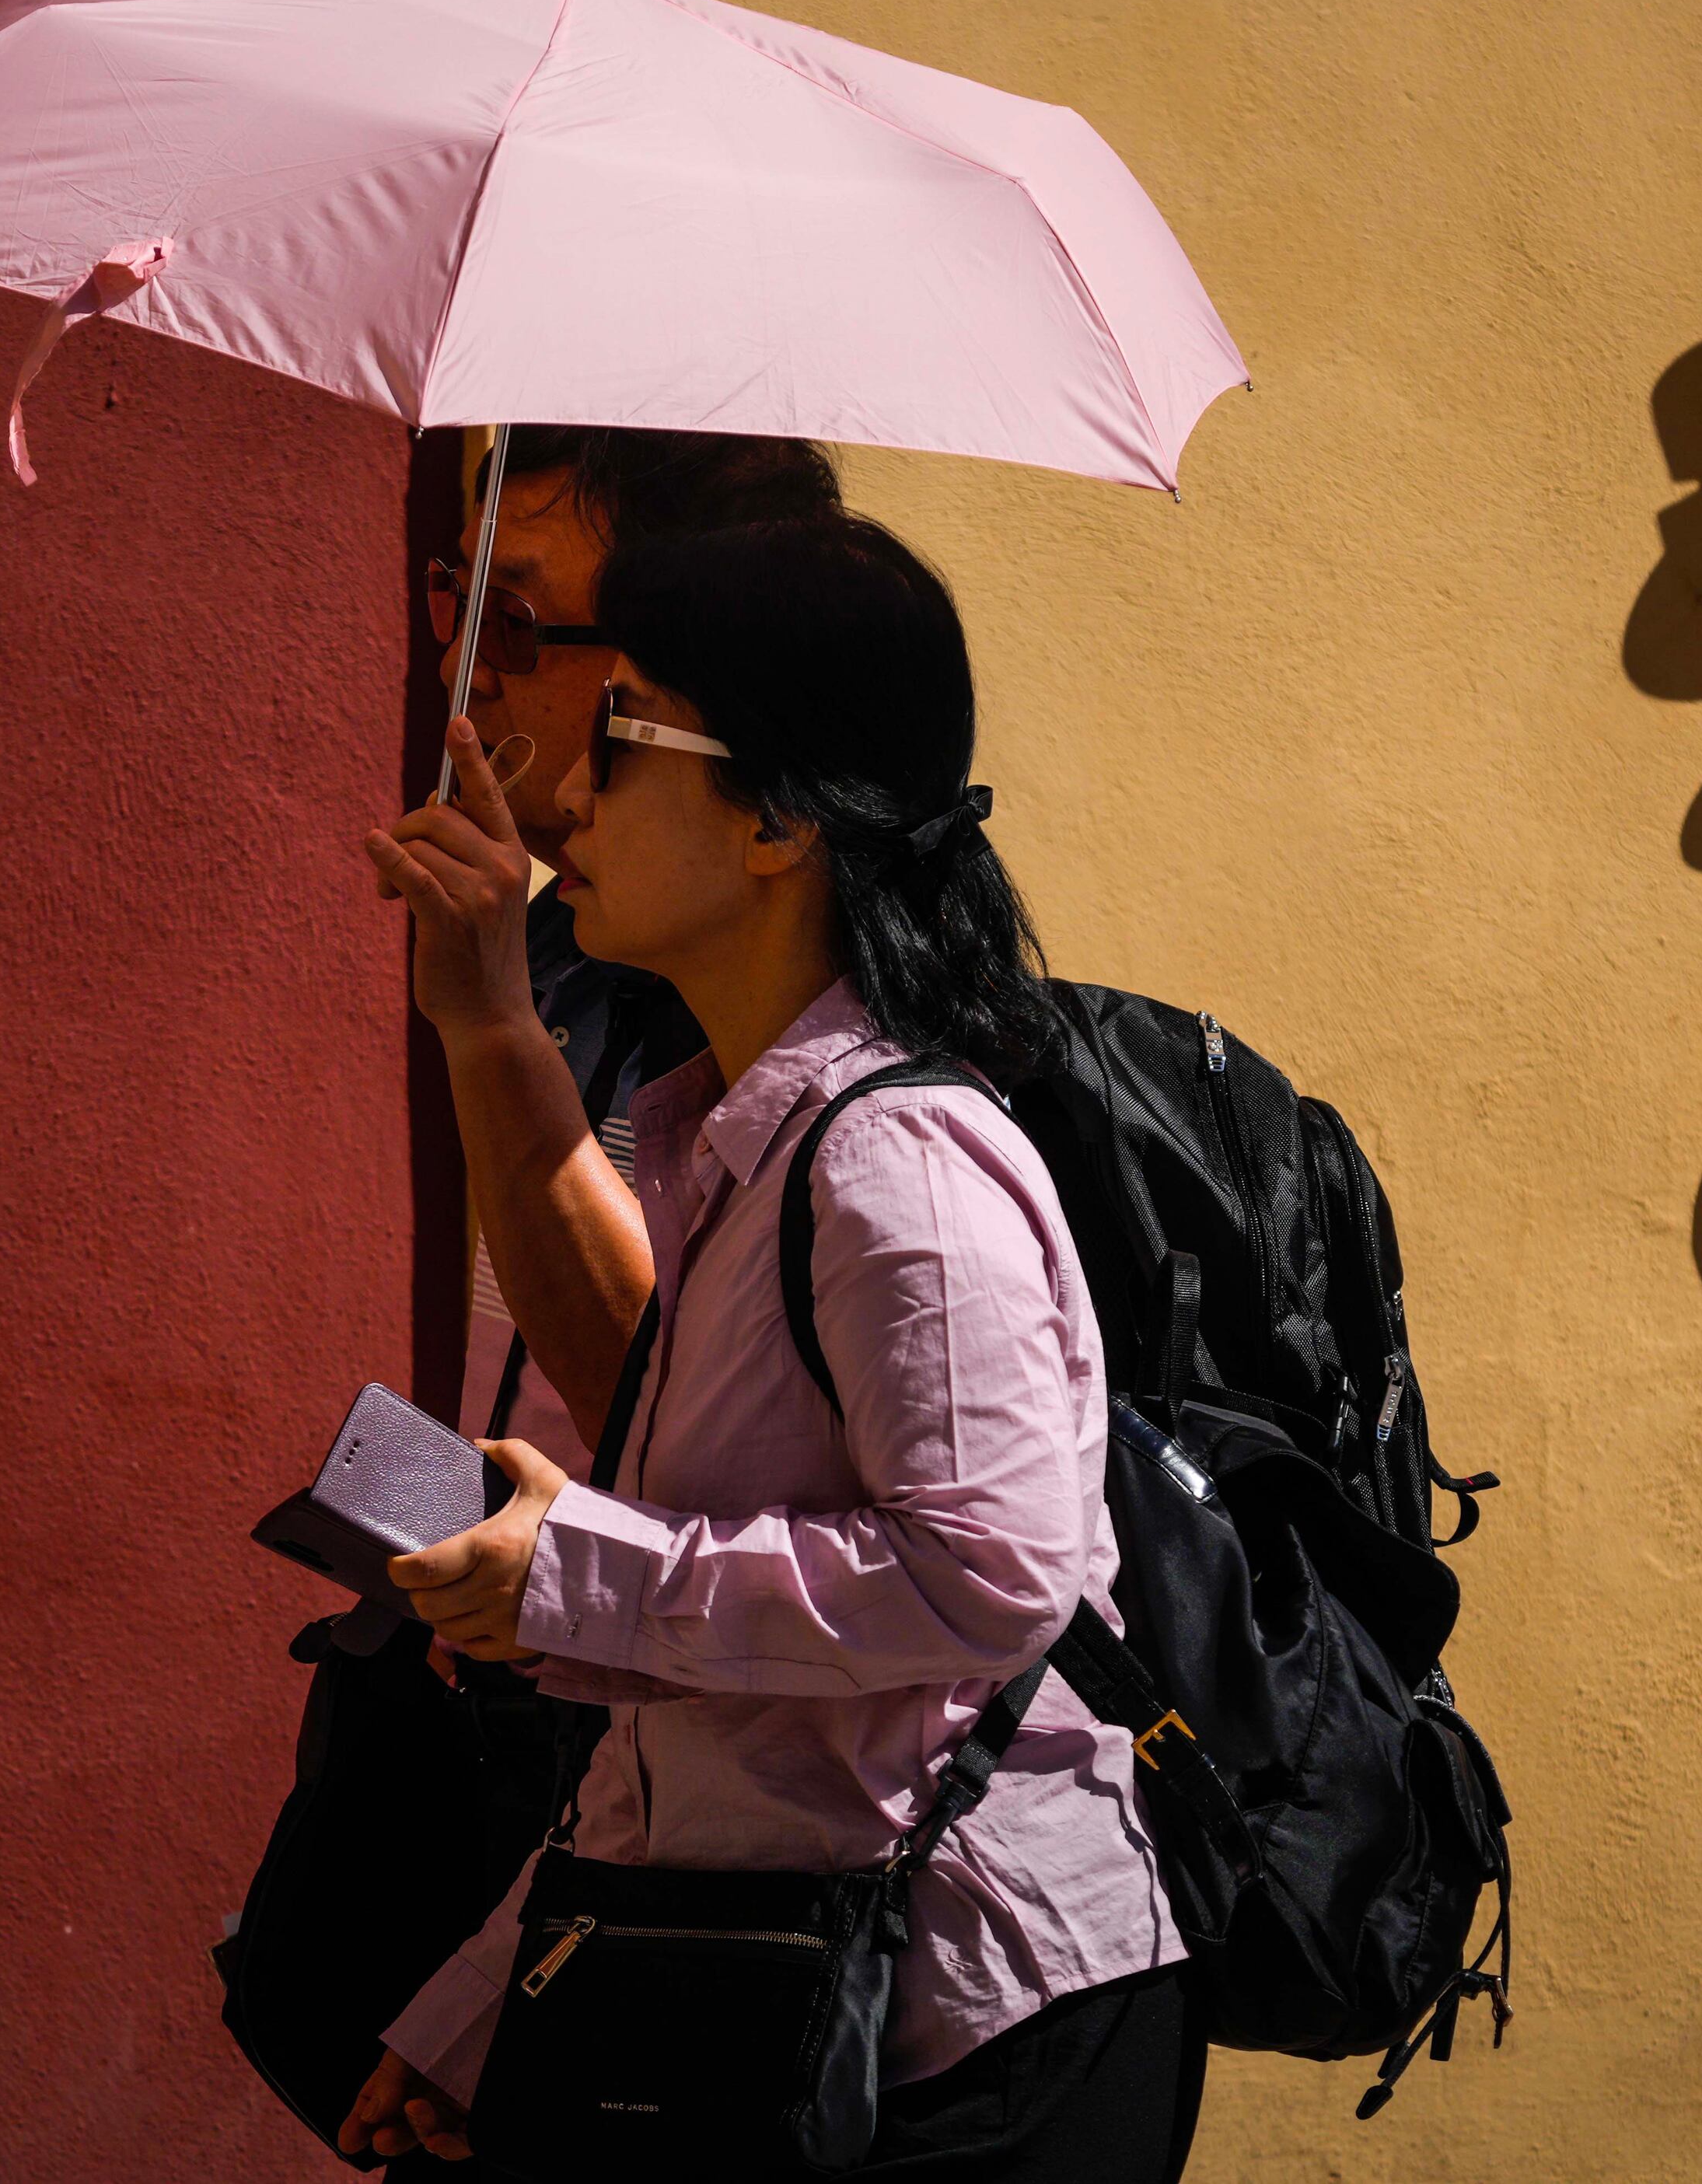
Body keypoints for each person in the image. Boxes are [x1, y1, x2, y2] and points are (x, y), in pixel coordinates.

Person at [348, 515, 1199, 2179]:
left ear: (781, 817)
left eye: (621, 737)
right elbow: (715, 1716)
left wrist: (575, 1572)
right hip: (785, 1984)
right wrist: (485, 2008)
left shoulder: (897, 1165)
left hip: (968, 2030)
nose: (567, 797)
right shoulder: (736, 1141)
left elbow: (988, 1575)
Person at [413, 425, 844, 1464]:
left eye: (506, 621)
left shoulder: (810, 1034)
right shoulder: (559, 933)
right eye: (451, 599)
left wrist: (494, 1037)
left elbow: (667, 1429)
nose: (459, 668)